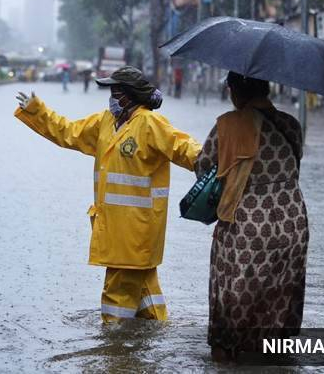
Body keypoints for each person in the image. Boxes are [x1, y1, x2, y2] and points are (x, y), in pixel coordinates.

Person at [14, 66, 201, 323]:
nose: (111, 98)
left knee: (116, 297)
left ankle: (114, 352)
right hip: (119, 229)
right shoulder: (105, 123)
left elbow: (182, 146)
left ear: (129, 95)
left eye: (115, 92)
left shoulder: (149, 123)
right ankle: (157, 333)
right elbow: (68, 132)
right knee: (146, 293)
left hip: (136, 230)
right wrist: (38, 111)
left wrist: (213, 161)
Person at [194, 71, 309, 363]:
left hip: (246, 220)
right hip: (291, 218)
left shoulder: (229, 125)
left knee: (237, 287)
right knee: (279, 289)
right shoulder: (291, 124)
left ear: (236, 91)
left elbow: (204, 167)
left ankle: (230, 351)